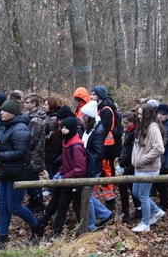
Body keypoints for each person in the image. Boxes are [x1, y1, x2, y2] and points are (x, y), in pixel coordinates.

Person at [0, 99, 44, 249]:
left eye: (4, 111)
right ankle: (1, 239)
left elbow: (20, 152)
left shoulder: (20, 129)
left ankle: (37, 228)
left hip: (17, 173)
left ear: (12, 113)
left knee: (14, 207)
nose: (1, 113)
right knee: (2, 206)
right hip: (4, 172)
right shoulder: (4, 126)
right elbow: (0, 144)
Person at [130, 103, 166, 232]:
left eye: (141, 114)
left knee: (143, 195)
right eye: (138, 114)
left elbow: (159, 148)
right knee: (136, 193)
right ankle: (156, 211)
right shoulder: (143, 127)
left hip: (148, 169)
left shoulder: (153, 128)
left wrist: (143, 160)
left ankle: (145, 223)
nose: (138, 117)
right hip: (139, 168)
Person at [50, 117, 87, 238]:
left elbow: (79, 169)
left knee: (78, 208)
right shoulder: (66, 142)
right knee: (62, 207)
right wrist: (61, 173)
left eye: (66, 128)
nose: (63, 130)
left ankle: (83, 231)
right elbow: (66, 163)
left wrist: (65, 176)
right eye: (62, 128)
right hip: (67, 180)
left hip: (74, 182)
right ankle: (56, 233)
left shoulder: (76, 146)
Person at [81, 100, 113, 231]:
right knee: (88, 195)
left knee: (87, 196)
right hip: (88, 165)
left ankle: (90, 225)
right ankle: (106, 215)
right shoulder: (89, 128)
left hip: (93, 167)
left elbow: (99, 153)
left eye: (84, 117)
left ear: (90, 118)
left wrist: (86, 160)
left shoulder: (98, 131)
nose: (81, 119)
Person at [91, 86, 122, 209]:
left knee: (107, 173)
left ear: (99, 95)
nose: (91, 96)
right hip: (102, 147)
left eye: (93, 94)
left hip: (107, 149)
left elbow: (104, 129)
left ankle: (110, 200)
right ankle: (103, 199)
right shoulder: (100, 108)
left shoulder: (106, 110)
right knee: (103, 172)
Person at [23, 94, 46, 213]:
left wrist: (26, 150)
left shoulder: (36, 120)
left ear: (34, 104)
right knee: (30, 180)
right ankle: (33, 201)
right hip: (33, 154)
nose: (25, 104)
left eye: (27, 102)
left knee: (33, 179)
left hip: (34, 155)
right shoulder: (31, 117)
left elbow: (32, 139)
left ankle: (38, 202)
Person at [117, 111, 142, 222]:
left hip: (132, 164)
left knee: (126, 186)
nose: (125, 125)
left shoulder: (135, 133)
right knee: (131, 187)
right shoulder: (129, 132)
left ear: (132, 122)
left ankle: (127, 212)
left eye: (126, 123)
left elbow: (131, 151)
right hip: (127, 163)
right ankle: (136, 210)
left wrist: (123, 162)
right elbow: (125, 148)